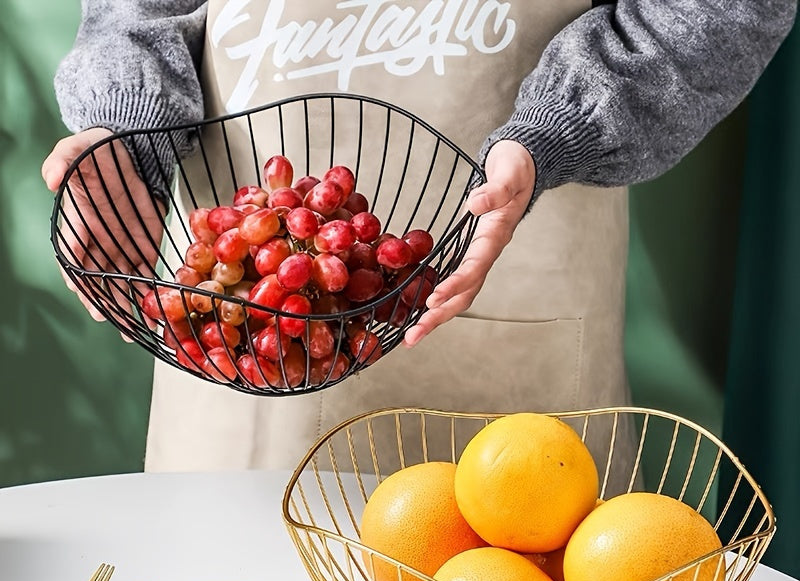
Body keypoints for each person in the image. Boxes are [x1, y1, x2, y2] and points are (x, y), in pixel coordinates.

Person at [42, 1, 796, 476]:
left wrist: (562, 129)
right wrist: (128, 134)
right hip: (239, 351)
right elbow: (135, 11)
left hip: (520, 310)